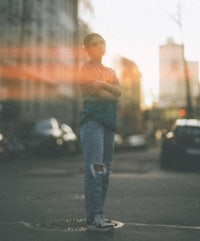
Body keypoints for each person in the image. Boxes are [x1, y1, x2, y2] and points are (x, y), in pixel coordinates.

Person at [79, 33, 121, 232]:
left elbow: (117, 94)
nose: (100, 47)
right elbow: (97, 96)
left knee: (106, 171)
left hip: (109, 125)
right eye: (95, 44)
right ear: (87, 48)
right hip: (92, 124)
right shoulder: (86, 69)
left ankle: (99, 213)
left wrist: (103, 84)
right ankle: (93, 216)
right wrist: (109, 90)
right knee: (95, 170)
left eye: (102, 43)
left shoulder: (110, 71)